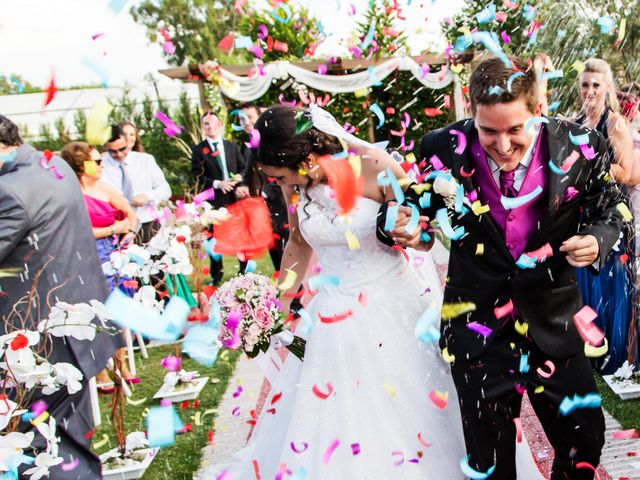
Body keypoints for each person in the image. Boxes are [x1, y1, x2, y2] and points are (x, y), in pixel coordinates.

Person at [209, 105, 543, 479]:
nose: (277, 183)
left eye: (280, 175)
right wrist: (274, 304)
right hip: (331, 320)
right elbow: (299, 242)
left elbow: (427, 233)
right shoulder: (293, 185)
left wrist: (413, 233)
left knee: (415, 412)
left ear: (304, 159)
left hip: (394, 308)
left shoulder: (373, 165)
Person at [383, 56, 623, 479]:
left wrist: (597, 239)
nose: (504, 144)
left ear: (537, 110)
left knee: (584, 441)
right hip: (477, 326)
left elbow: (612, 211)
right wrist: (399, 227)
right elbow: (418, 213)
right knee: (488, 458)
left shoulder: (583, 146)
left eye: (516, 129)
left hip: (553, 318)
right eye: (488, 131)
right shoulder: (440, 147)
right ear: (470, 111)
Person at [0, 115, 122, 478]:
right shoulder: (52, 165)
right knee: (67, 434)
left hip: (38, 336)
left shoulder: (11, 190)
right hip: (76, 320)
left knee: (39, 441)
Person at [573, 58, 637, 374]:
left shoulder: (614, 124)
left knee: (608, 286)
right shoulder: (576, 121)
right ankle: (587, 349)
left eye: (597, 84)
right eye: (585, 84)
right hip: (580, 215)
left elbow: (627, 172)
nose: (591, 90)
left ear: (607, 87)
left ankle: (613, 355)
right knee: (583, 283)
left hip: (609, 218)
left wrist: (587, 168)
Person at [60, 141, 140, 388]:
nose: (102, 164)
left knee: (121, 310)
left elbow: (131, 215)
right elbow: (79, 230)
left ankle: (120, 362)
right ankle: (100, 370)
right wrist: (114, 228)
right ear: (81, 166)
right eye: (96, 161)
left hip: (113, 255)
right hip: (84, 257)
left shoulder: (106, 189)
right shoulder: (70, 195)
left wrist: (131, 233)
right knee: (94, 314)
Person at [191, 111, 249, 285]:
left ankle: (244, 270)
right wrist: (217, 184)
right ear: (203, 127)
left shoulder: (231, 146)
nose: (211, 127)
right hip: (213, 201)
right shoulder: (199, 150)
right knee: (213, 239)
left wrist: (239, 180)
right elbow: (196, 176)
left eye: (213, 123)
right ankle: (217, 275)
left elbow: (243, 168)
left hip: (234, 198)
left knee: (240, 236)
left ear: (220, 125)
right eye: (206, 124)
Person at [238, 103, 290, 271]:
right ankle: (286, 289)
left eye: (249, 117)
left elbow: (285, 174)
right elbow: (249, 176)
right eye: (241, 119)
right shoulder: (247, 147)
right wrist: (244, 187)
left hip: (280, 205)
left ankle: (296, 293)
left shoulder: (272, 144)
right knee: (274, 251)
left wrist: (265, 192)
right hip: (261, 209)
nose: (246, 122)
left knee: (287, 250)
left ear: (259, 119)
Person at [101, 125, 171, 244]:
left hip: (147, 223)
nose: (119, 154)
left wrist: (147, 196)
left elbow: (165, 190)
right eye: (113, 152)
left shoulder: (145, 160)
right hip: (120, 228)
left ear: (127, 142)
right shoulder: (102, 165)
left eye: (122, 149)